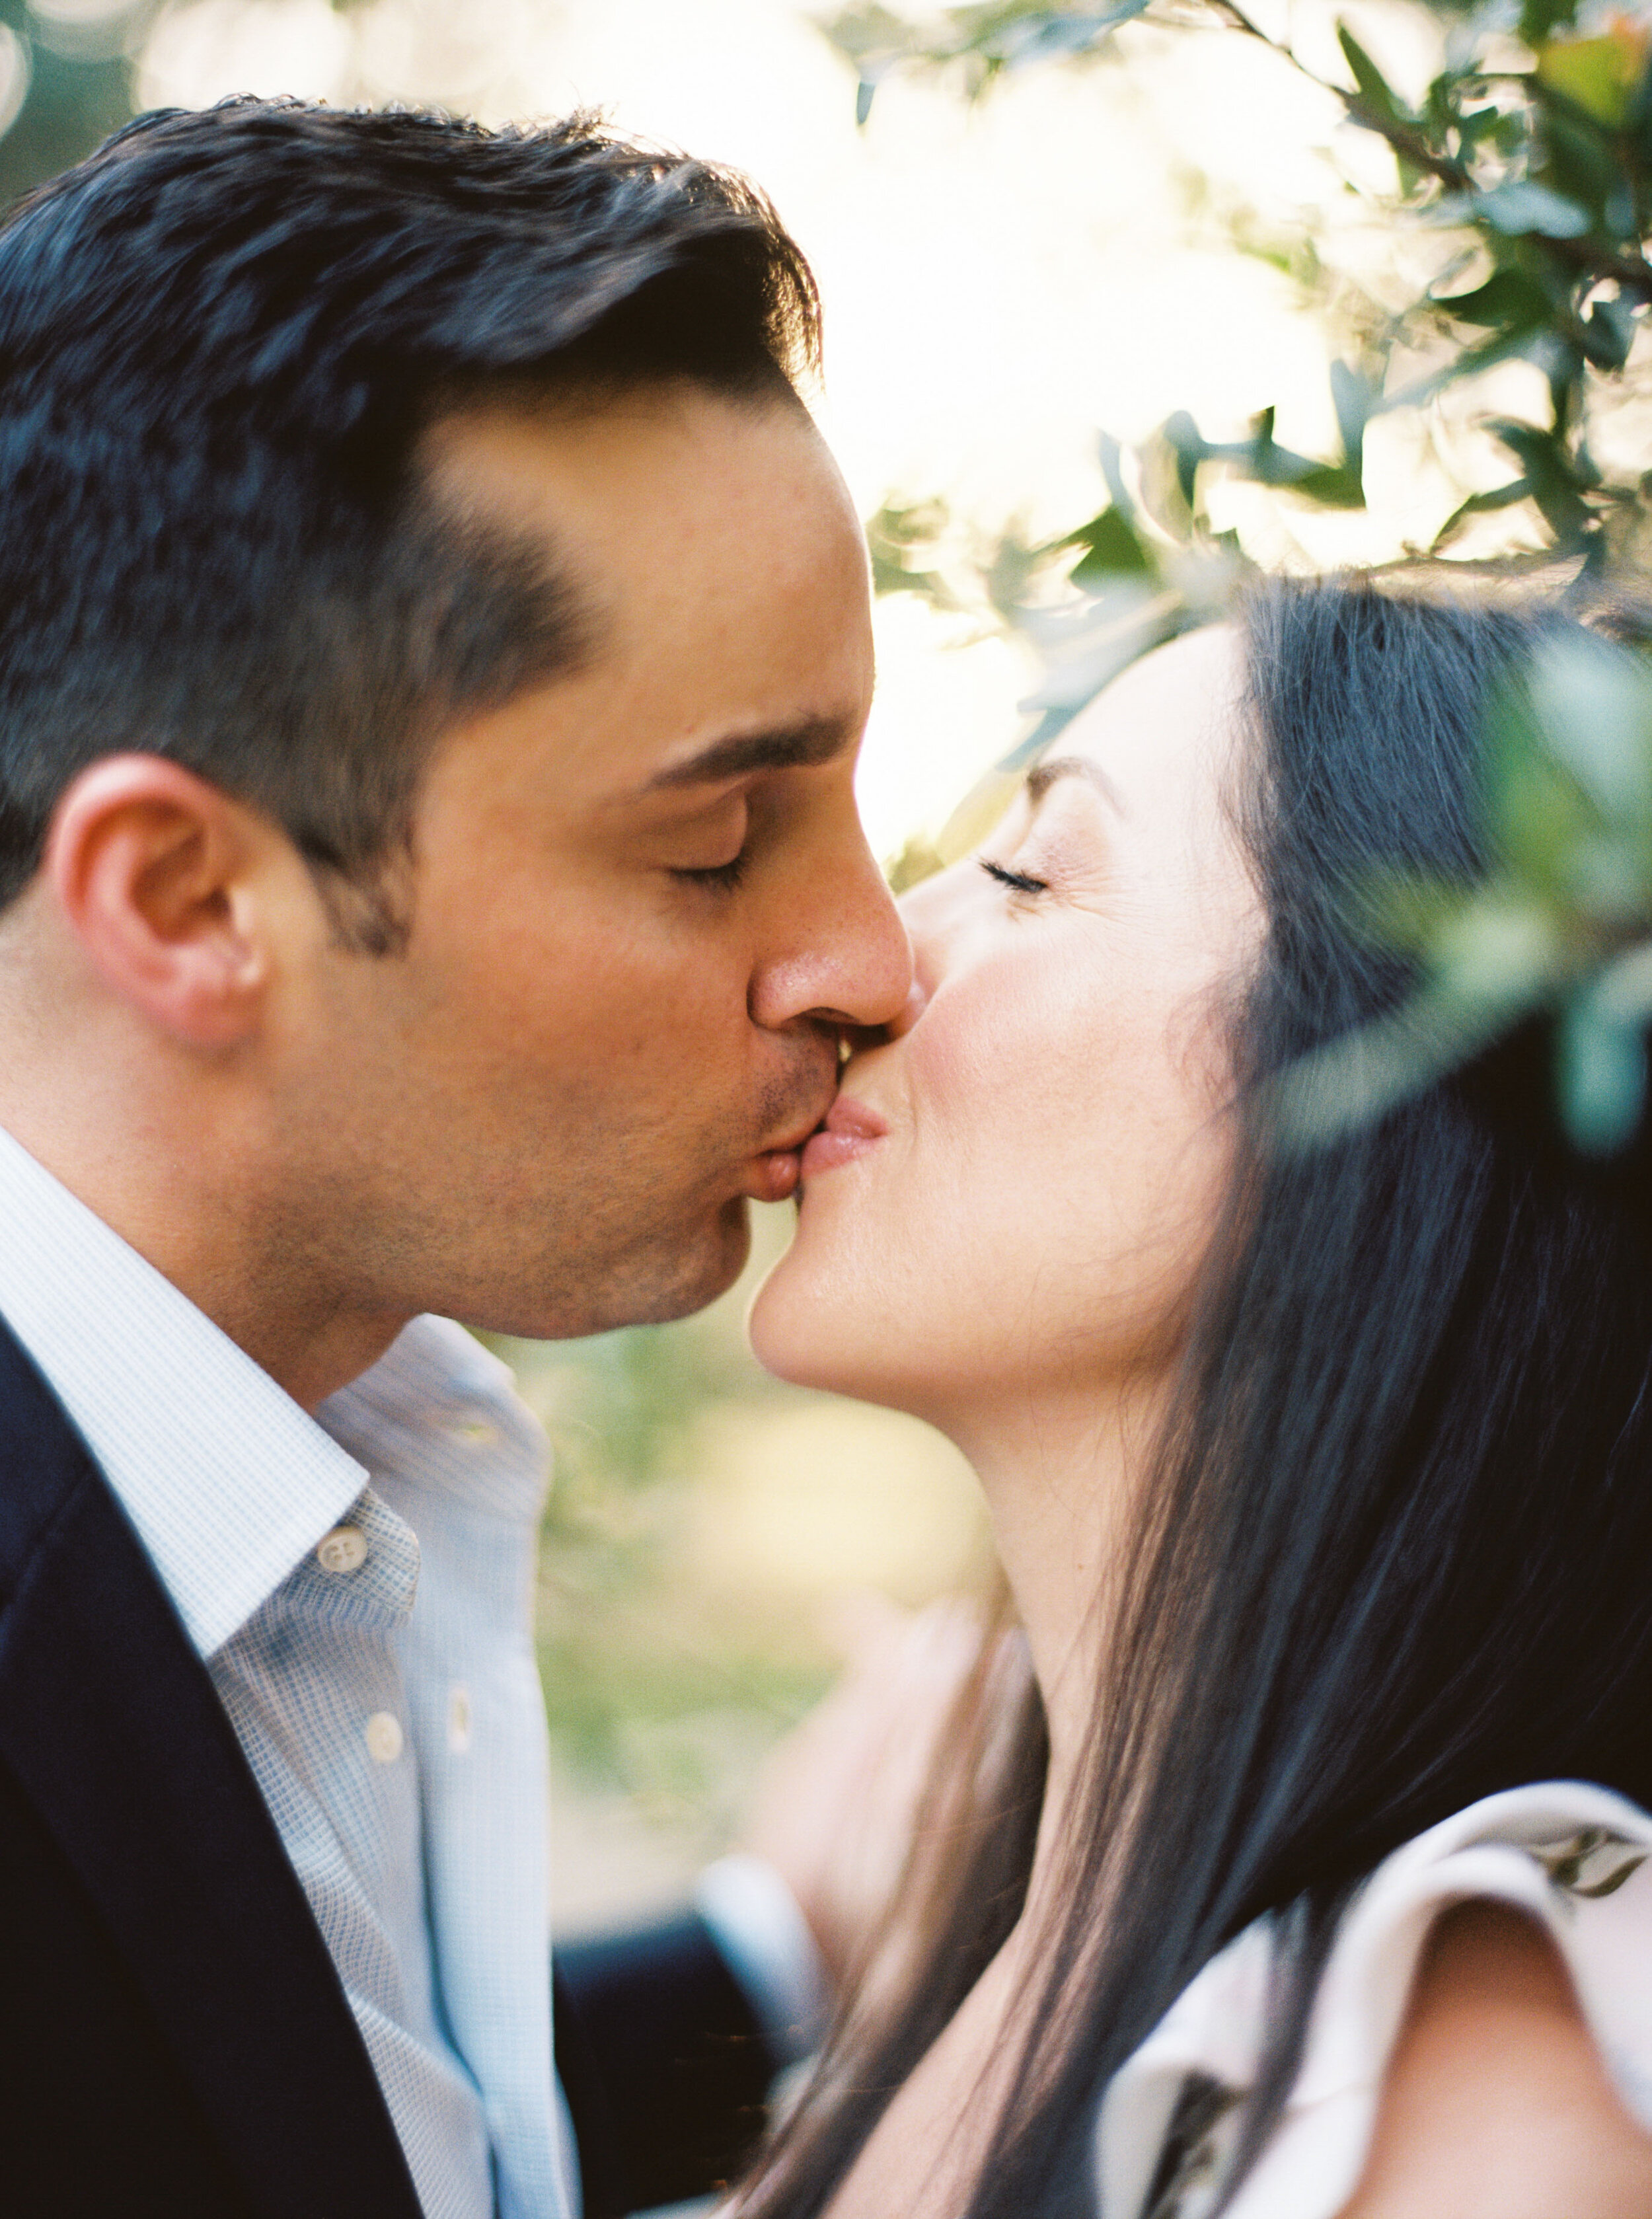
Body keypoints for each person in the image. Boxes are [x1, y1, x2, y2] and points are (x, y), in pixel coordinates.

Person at [0, 100, 919, 2218]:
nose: (873, 955)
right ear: (189, 900)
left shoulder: (332, 1465)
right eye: (711, 842)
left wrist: (764, 1963)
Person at [740, 579, 1652, 2218]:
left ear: (1377, 1075)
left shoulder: (1462, 2117)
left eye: (1027, 872)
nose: (873, 961)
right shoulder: (1008, 1956)